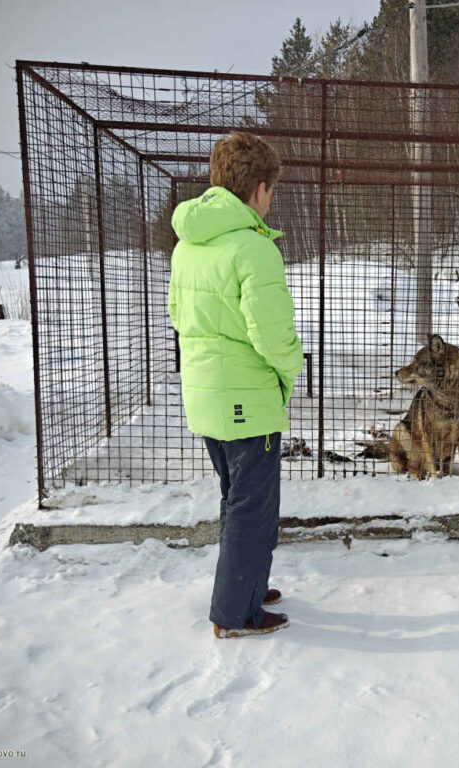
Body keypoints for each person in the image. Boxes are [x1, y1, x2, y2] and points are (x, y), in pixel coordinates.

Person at [168, 131, 303, 638]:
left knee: (236, 497)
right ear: (260, 189)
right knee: (253, 505)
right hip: (246, 398)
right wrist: (291, 365)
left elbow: (178, 316)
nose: (271, 201)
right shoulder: (253, 248)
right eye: (272, 192)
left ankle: (248, 586)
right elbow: (270, 334)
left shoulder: (189, 244)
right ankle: (234, 613)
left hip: (207, 396)